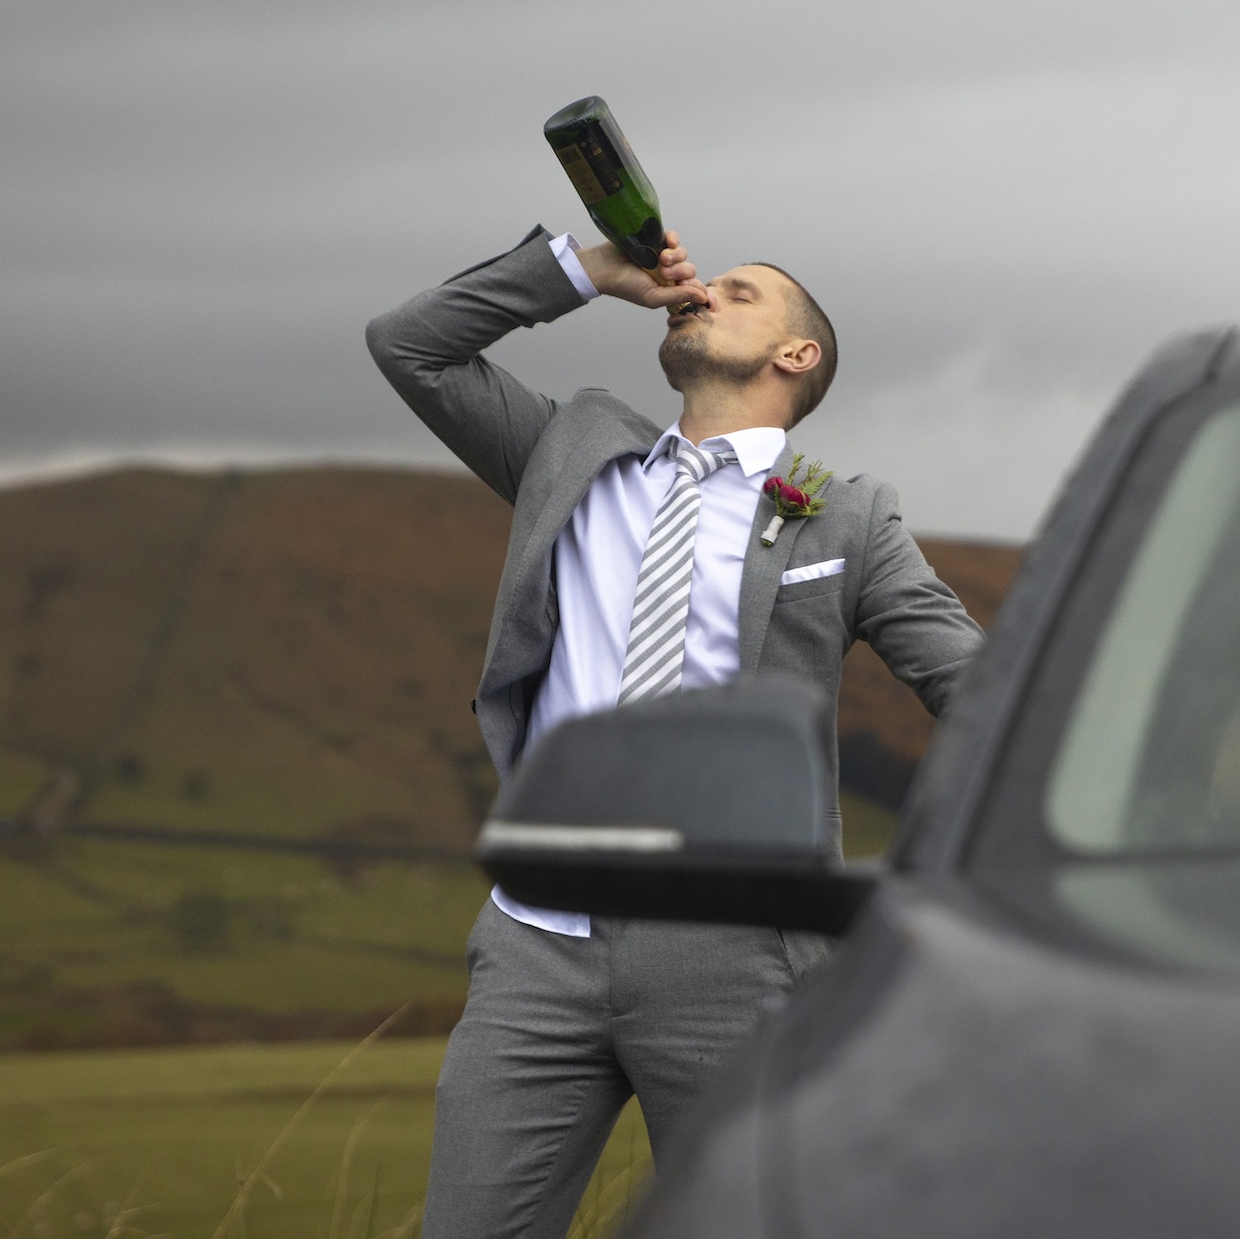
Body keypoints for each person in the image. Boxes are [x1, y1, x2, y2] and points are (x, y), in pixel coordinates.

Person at [365, 224, 984, 1239]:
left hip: (737, 954)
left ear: (798, 356)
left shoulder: (848, 518)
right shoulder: (569, 453)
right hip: (538, 941)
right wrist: (581, 269)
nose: (706, 294)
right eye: (711, 286)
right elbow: (410, 345)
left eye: (742, 294)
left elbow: (972, 685)